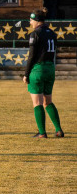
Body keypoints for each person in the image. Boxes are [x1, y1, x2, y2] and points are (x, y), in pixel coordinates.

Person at [23, 10, 64, 138]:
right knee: (48, 102)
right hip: (50, 68)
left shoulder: (35, 34)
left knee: (37, 103)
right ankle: (58, 130)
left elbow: (31, 56)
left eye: (31, 20)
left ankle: (42, 133)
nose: (30, 22)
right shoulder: (52, 33)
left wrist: (26, 74)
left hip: (38, 69)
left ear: (37, 20)